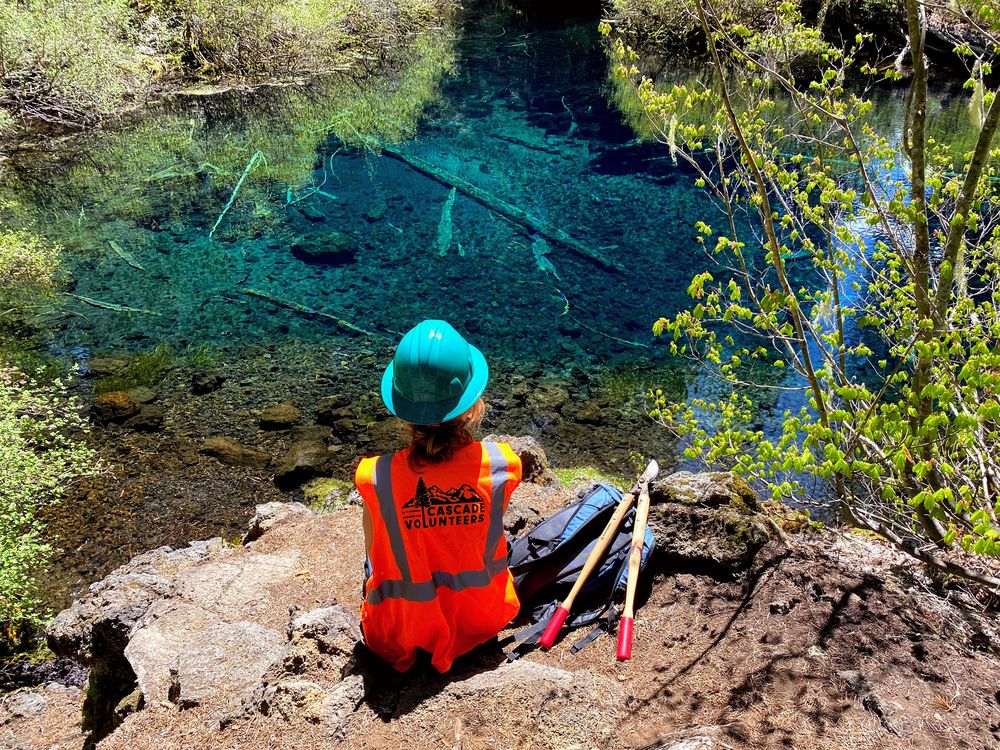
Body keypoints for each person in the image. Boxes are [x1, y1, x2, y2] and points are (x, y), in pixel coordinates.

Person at [354, 319, 521, 673]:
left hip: (399, 632)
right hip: (483, 620)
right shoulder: (503, 464)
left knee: (380, 528)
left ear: (401, 411)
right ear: (473, 405)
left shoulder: (374, 475)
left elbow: (374, 552)